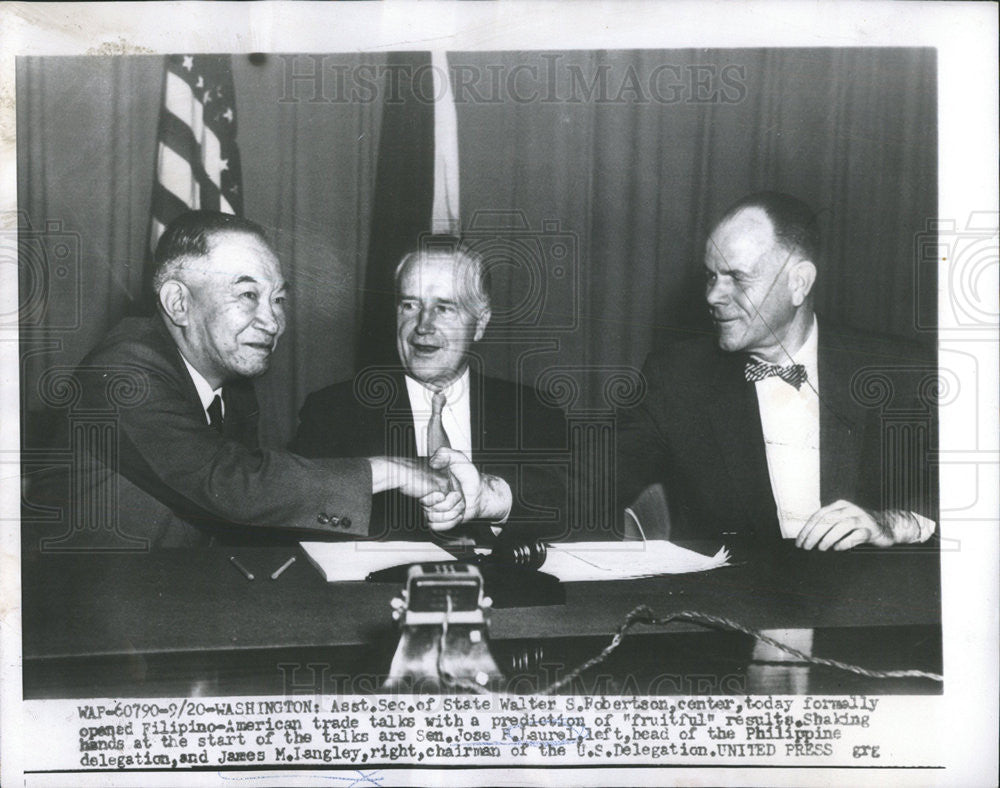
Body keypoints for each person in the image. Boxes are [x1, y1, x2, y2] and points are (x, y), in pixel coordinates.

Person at [33, 211, 449, 549]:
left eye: (278, 299)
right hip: (83, 624)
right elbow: (231, 485)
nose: (272, 322)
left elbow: (249, 514)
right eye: (248, 295)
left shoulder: (233, 388)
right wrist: (389, 470)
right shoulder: (123, 372)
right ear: (178, 302)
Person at [616, 192, 937, 549]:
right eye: (711, 277)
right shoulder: (676, 376)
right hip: (735, 599)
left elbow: (977, 488)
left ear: (798, 282)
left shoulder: (902, 371)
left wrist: (896, 523)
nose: (713, 297)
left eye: (737, 278)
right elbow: (594, 480)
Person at [291, 240, 568, 542]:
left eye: (444, 308)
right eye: (410, 305)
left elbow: (571, 515)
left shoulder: (533, 411)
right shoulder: (333, 411)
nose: (423, 325)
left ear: (480, 324)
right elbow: (302, 515)